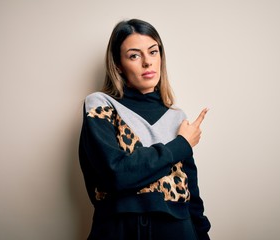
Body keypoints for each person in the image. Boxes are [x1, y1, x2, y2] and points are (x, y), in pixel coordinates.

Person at [79, 18, 211, 240]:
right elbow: (116, 173)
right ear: (118, 65)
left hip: (178, 229)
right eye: (134, 55)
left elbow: (192, 196)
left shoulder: (177, 117)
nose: (148, 62)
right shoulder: (100, 105)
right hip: (118, 229)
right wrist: (181, 145)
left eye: (153, 52)